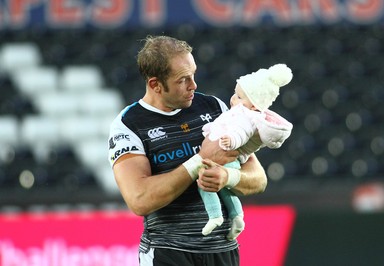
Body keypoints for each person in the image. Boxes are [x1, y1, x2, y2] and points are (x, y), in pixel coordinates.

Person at [108, 35, 267, 266]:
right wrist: (199, 161)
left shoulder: (215, 108)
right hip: (168, 253)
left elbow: (259, 179)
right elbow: (139, 199)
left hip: (223, 252)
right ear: (155, 84)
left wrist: (228, 177)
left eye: (193, 74)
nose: (194, 85)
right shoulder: (128, 125)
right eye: (183, 79)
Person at [199, 64, 294, 240]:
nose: (233, 99)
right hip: (227, 155)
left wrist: (231, 140)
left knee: (205, 180)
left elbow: (241, 132)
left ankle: (214, 215)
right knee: (225, 188)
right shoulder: (241, 113)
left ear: (253, 103)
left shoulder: (245, 115)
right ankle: (236, 216)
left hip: (226, 154)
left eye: (239, 96)